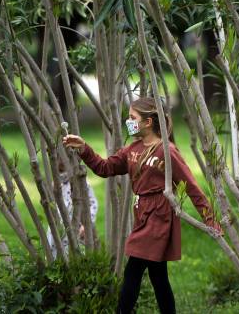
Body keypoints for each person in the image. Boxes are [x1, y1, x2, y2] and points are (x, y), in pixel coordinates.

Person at [63, 96, 222, 314]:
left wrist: (211, 219)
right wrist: (84, 148)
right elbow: (104, 168)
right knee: (158, 276)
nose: (128, 122)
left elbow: (192, 186)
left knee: (133, 270)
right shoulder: (132, 149)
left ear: (148, 122)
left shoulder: (167, 151)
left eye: (132, 118)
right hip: (142, 215)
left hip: (160, 216)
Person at [46, 160, 98, 259]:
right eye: (57, 158)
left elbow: (93, 203)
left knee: (75, 253)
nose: (60, 161)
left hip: (77, 227)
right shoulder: (54, 183)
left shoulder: (82, 184)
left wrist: (86, 224)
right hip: (58, 227)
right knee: (56, 253)